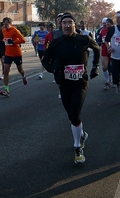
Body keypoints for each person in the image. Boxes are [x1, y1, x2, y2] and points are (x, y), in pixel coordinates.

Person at [42, 12, 100, 164]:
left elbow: (97, 49)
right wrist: (53, 69)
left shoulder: (84, 39)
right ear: (60, 25)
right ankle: (81, 135)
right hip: (64, 82)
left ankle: (77, 146)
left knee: (74, 114)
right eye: (64, 23)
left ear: (75, 25)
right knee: (71, 115)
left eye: (70, 22)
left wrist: (95, 67)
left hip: (80, 82)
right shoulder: (56, 42)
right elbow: (45, 59)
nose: (67, 25)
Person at [0, 17, 27, 97]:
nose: (5, 26)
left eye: (7, 24)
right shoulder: (3, 30)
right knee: (6, 71)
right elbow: (5, 40)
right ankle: (6, 90)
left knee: (20, 70)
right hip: (8, 54)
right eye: (4, 24)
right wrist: (5, 41)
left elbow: (23, 40)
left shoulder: (14, 30)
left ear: (10, 24)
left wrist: (14, 42)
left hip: (17, 54)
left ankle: (23, 76)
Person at [100, 18, 114, 90]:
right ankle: (108, 80)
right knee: (104, 67)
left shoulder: (114, 30)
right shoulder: (102, 31)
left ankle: (114, 79)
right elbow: (100, 40)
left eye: (108, 22)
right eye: (105, 22)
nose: (106, 24)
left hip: (113, 50)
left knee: (113, 66)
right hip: (105, 50)